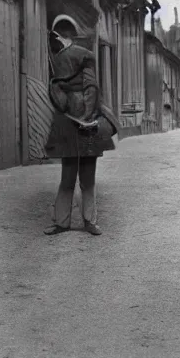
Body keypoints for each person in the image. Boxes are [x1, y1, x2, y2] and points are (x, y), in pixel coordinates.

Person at [43, 15, 120, 236]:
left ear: (59, 36)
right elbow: (91, 89)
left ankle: (62, 222)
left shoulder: (60, 58)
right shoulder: (85, 55)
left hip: (69, 123)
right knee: (87, 176)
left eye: (53, 38)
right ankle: (89, 222)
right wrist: (88, 116)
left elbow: (84, 89)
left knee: (67, 176)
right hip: (86, 122)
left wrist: (82, 117)